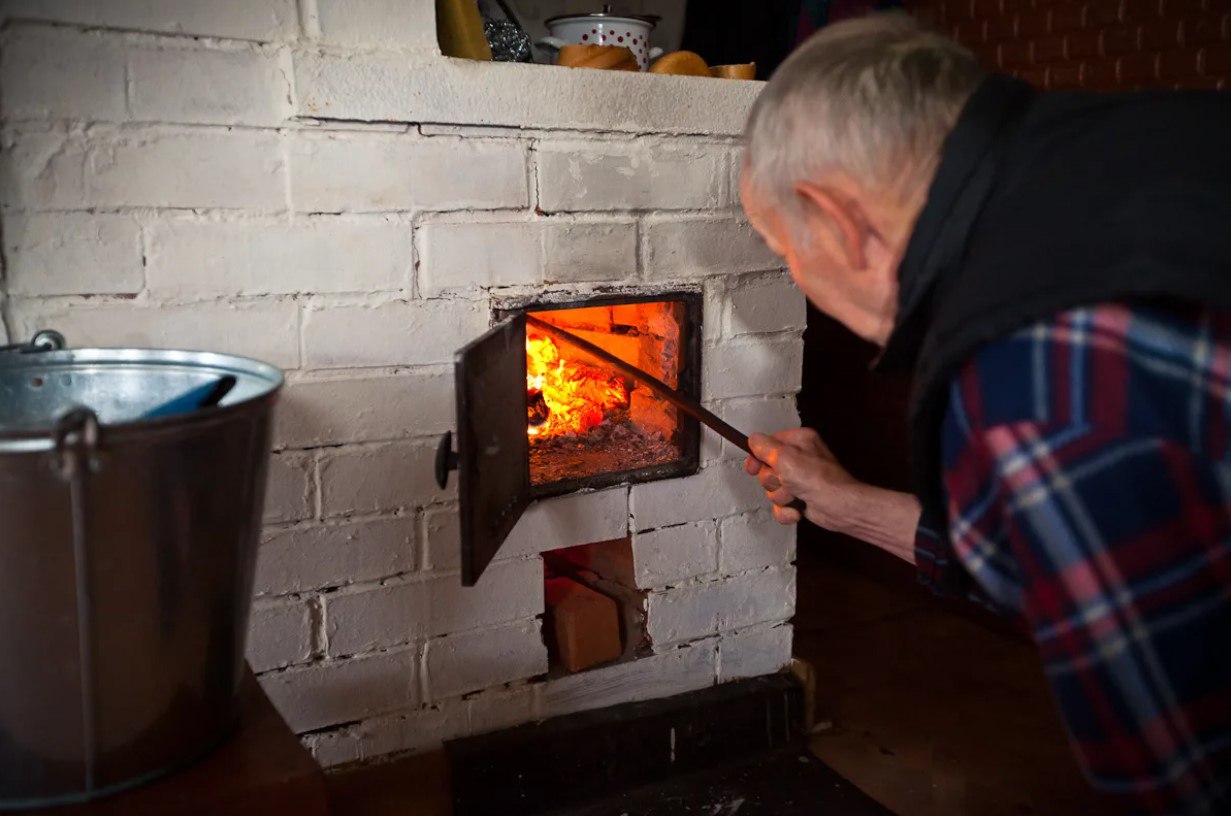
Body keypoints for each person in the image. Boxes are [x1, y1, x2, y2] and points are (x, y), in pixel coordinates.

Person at [740, 13, 1231, 815]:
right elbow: (1048, 557)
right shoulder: (1150, 142)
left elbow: (1184, 781)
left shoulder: (1030, 380)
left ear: (832, 217)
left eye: (783, 250)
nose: (796, 276)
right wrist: (851, 506)